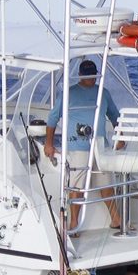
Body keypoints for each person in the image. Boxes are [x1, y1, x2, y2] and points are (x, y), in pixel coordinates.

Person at [44, 59, 121, 233]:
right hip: (77, 146)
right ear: (80, 75)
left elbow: (116, 117)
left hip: (100, 147)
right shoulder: (68, 94)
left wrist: (120, 137)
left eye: (93, 76)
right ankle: (73, 223)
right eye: (87, 76)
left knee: (106, 185)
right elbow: (52, 118)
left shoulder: (104, 93)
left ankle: (116, 220)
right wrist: (49, 144)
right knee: (77, 188)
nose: (91, 80)